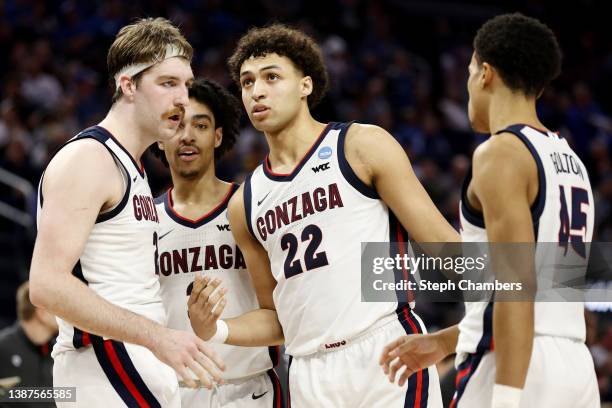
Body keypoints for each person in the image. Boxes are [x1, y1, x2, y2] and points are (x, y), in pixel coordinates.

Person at [189, 24, 460, 407]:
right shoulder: (245, 202)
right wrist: (215, 328)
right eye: (247, 83)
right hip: (308, 373)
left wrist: (556, 278)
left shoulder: (359, 146)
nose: (257, 91)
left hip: (384, 352)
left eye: (271, 77)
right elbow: (275, 318)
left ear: (306, 85)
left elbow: (444, 245)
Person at [379, 13, 600, 408]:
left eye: (468, 72)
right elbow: (545, 295)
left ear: (485, 74)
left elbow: (516, 289)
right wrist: (446, 342)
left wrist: (507, 397)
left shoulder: (500, 153)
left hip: (516, 365)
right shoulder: (570, 160)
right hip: (574, 365)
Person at [28, 18, 224, 408]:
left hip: (134, 365)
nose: (183, 98)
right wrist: (158, 336)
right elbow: (46, 285)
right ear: (128, 85)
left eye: (186, 84)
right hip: (105, 368)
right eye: (168, 83)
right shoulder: (90, 158)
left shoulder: (130, 167)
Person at [151, 78, 284, 407]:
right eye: (176, 124)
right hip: (173, 390)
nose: (188, 135)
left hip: (249, 387)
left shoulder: (253, 205)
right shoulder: (144, 222)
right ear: (160, 138)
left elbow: (281, 310)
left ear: (218, 135)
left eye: (201, 124)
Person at [0, 281, 56, 406]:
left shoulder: (57, 351)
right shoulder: (3, 347)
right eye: (56, 306)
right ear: (42, 312)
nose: (63, 313)